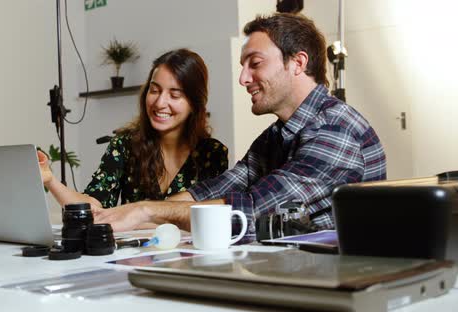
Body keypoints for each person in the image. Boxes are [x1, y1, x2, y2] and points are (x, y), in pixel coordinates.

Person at [94, 13, 387, 233]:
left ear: (298, 63)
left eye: (255, 63)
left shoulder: (335, 129)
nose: (243, 78)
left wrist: (147, 212)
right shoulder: (275, 135)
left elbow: (253, 208)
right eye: (243, 66)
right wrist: (133, 212)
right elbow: (219, 187)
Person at [39, 49, 229, 217]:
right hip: (132, 256)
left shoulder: (212, 153)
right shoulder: (124, 145)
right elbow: (94, 207)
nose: (160, 102)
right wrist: (50, 180)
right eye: (154, 90)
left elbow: (208, 217)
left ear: (194, 103)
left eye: (174, 95)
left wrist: (135, 217)